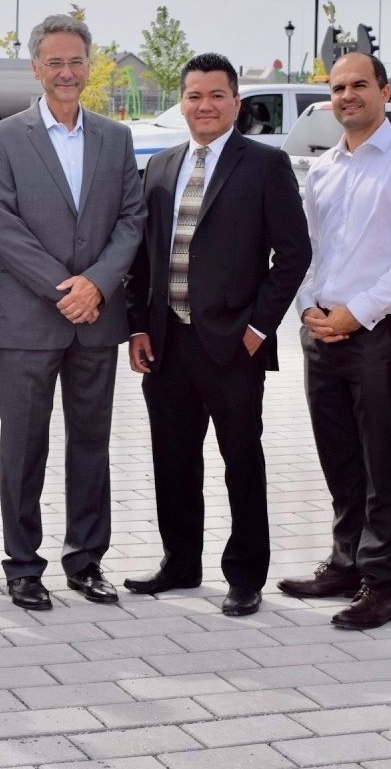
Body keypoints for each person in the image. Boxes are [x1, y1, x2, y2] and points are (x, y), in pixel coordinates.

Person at [124, 52, 308, 617]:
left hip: (233, 344)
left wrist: (257, 327)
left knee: (240, 460)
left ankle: (246, 574)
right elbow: (143, 257)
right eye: (194, 96)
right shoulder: (160, 167)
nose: (204, 105)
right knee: (172, 458)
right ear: (181, 103)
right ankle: (180, 561)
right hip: (167, 343)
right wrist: (137, 325)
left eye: (216, 95)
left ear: (236, 102)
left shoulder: (264, 166)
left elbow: (294, 253)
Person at [0, 13, 146, 610]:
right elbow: (3, 227)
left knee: (90, 444)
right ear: (36, 68)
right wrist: (64, 288)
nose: (67, 72)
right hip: (27, 320)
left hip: (96, 320)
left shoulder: (115, 137)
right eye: (55, 62)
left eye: (76, 61)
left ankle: (86, 560)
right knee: (23, 446)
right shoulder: (1, 139)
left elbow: (131, 220)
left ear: (89, 65)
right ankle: (23, 565)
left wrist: (96, 286)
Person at [276, 53, 391, 628]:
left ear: (385, 93)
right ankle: (346, 562)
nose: (349, 95)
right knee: (339, 455)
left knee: (381, 457)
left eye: (360, 85)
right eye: (338, 87)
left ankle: (384, 583)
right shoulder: (324, 169)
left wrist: (357, 313)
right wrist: (308, 310)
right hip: (322, 331)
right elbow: (307, 251)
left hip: (378, 332)